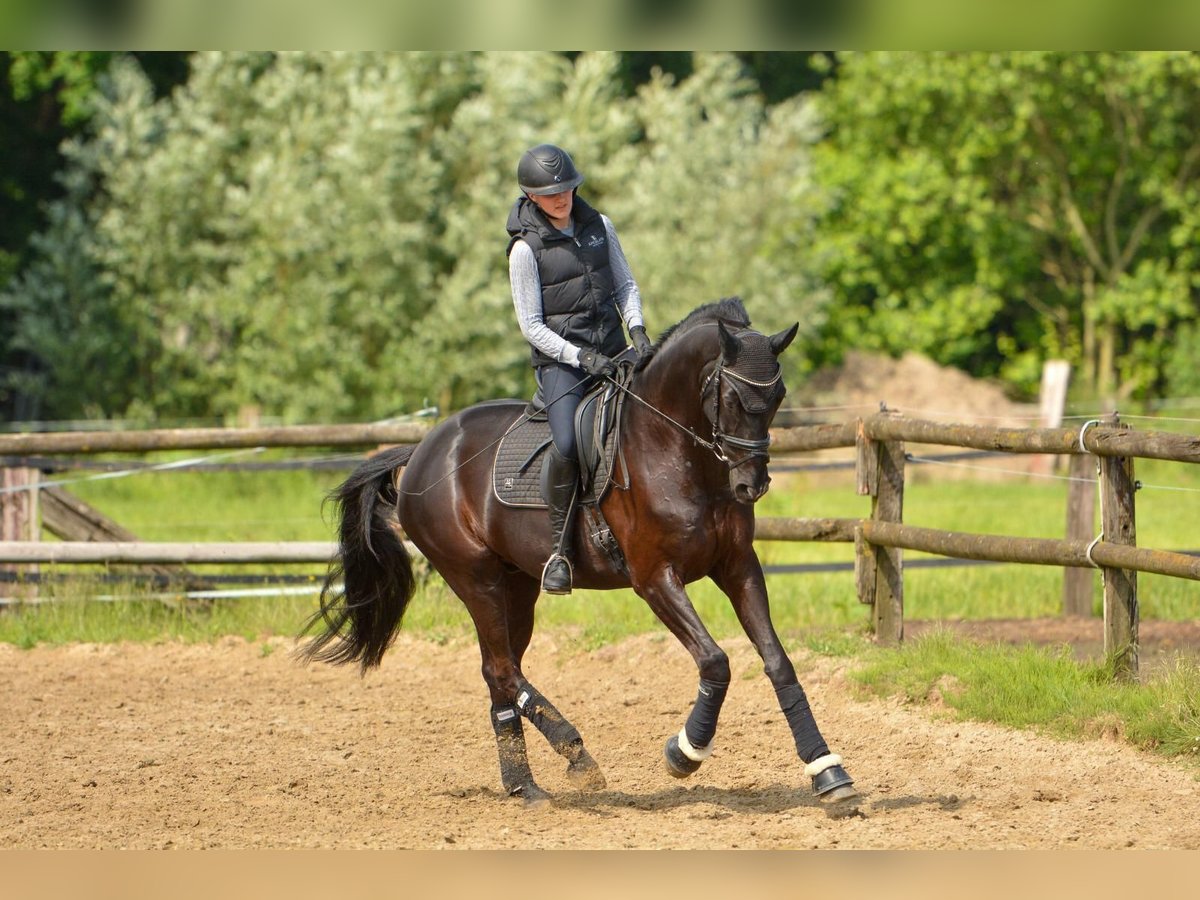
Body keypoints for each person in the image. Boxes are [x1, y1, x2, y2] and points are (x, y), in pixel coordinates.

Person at [506, 143, 653, 595]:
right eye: (551, 193)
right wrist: (578, 357)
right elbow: (531, 326)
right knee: (568, 443)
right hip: (562, 366)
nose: (561, 198)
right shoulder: (524, 251)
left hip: (614, 349)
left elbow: (625, 283)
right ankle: (559, 552)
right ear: (532, 197)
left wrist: (639, 330)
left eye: (567, 189)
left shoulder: (599, 226)